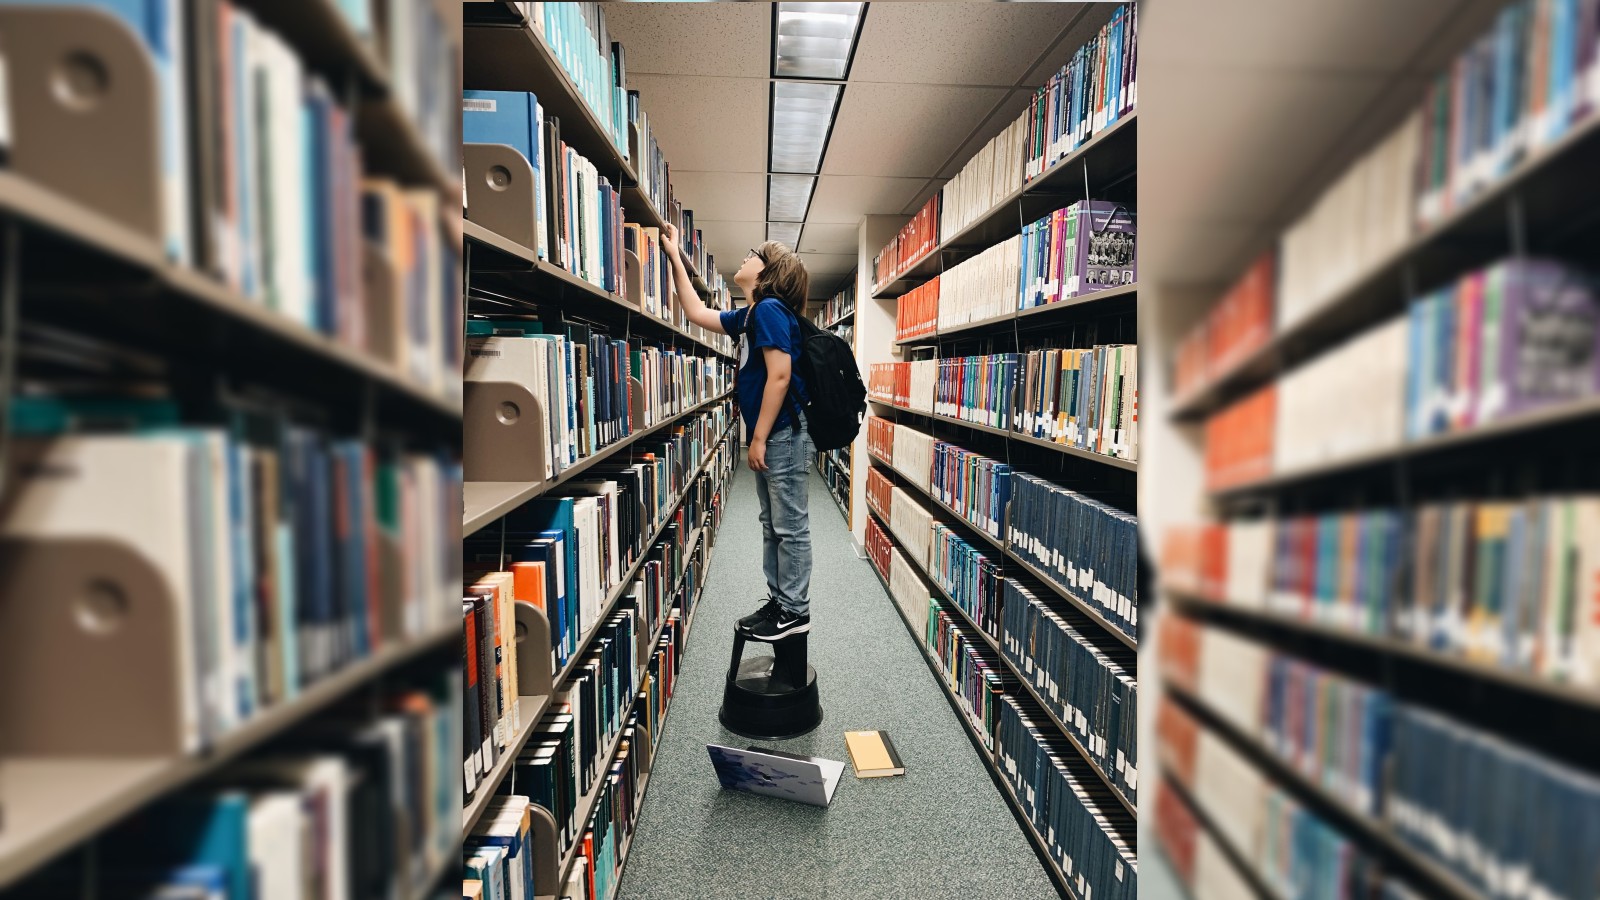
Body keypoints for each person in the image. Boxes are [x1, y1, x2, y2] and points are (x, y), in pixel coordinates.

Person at [661, 224, 813, 641]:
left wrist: (758, 436)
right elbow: (696, 312)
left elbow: (779, 377)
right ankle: (781, 602)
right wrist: (675, 255)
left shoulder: (768, 312)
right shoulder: (750, 315)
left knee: (789, 526)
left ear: (767, 273)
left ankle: (795, 611)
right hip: (775, 435)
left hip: (783, 435)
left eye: (753, 254)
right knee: (772, 524)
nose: (745, 258)